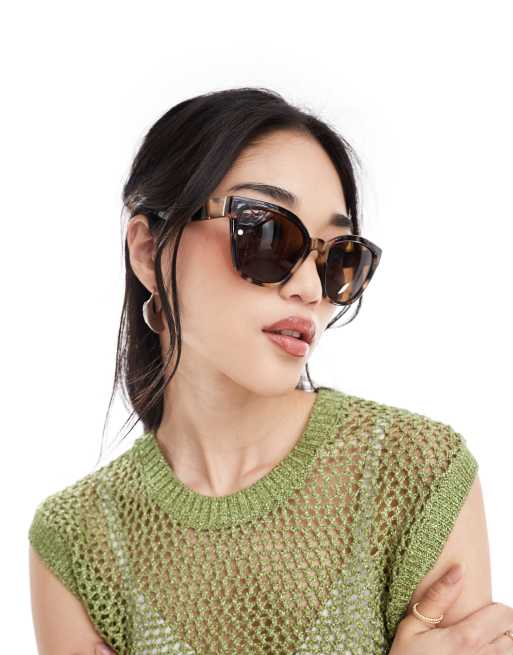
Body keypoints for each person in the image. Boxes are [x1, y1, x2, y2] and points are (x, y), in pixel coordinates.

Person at [28, 87, 513, 654]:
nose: (309, 289)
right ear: (147, 251)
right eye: (267, 235)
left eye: (338, 258)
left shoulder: (413, 473)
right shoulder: (78, 540)